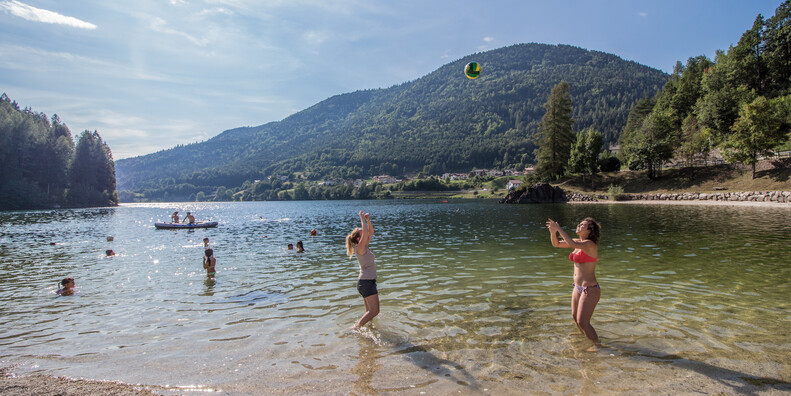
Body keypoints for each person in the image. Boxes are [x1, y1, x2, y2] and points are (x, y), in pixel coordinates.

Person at [547, 217, 602, 348]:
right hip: (577, 287)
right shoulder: (578, 242)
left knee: (583, 322)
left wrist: (559, 228)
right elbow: (556, 244)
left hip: (590, 288)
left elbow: (571, 244)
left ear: (589, 231)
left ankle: (597, 346)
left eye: (582, 225)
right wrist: (553, 232)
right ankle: (584, 337)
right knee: (575, 317)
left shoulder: (589, 245)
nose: (578, 225)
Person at [346, 210, 378, 329]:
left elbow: (370, 232)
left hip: (367, 282)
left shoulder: (364, 246)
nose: (365, 234)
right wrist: (361, 218)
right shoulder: (360, 248)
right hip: (366, 282)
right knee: (375, 311)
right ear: (359, 238)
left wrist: (368, 220)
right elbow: (365, 231)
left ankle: (370, 328)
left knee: (369, 311)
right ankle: (356, 328)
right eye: (362, 233)